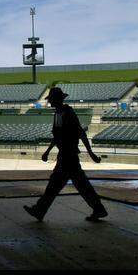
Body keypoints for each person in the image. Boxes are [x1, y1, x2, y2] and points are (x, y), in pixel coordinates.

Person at [24, 87, 108, 222]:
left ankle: (40, 210)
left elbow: (81, 133)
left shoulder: (68, 113)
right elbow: (57, 136)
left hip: (68, 156)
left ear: (57, 99)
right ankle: (99, 209)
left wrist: (91, 153)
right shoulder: (58, 113)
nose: (50, 102)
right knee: (80, 184)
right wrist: (47, 151)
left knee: (55, 184)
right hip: (66, 155)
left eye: (51, 99)